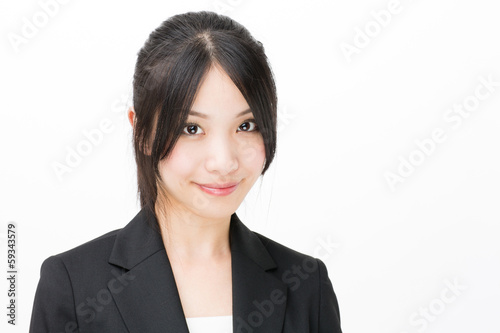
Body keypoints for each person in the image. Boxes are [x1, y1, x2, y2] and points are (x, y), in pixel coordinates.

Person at [29, 11, 342, 333]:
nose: (223, 162)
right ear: (142, 132)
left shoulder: (306, 284)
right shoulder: (73, 285)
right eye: (191, 128)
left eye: (246, 126)